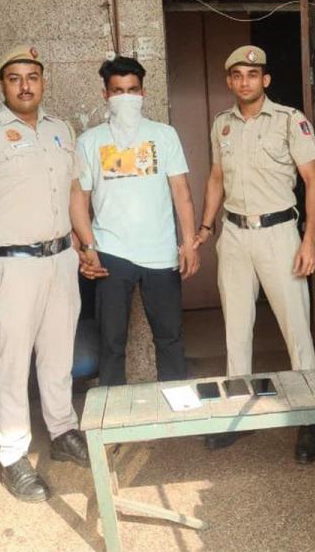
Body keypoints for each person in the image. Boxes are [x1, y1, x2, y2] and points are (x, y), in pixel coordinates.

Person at [0, 43, 90, 505]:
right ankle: (12, 453)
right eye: (15, 78)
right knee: (12, 362)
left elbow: (74, 191)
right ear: (3, 85)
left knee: (58, 353)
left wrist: (86, 244)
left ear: (43, 81)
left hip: (61, 259)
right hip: (12, 266)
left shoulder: (60, 129)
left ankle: (63, 430)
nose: (25, 86)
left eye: (32, 77)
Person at [194, 45, 315, 463]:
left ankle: (310, 417)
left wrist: (309, 241)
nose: (245, 81)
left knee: (296, 328)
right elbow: (216, 177)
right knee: (236, 329)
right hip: (235, 234)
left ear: (265, 80)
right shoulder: (222, 125)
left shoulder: (289, 120)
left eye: (252, 74)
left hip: (279, 234)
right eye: (237, 75)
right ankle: (239, 415)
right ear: (229, 82)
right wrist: (206, 226)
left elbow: (313, 180)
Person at [70, 55, 199, 385]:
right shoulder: (89, 142)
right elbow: (78, 200)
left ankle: (176, 403)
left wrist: (189, 243)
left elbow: (181, 192)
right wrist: (87, 247)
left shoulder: (164, 135)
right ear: (105, 95)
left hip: (161, 253)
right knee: (111, 342)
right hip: (110, 252)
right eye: (118, 91)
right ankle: (113, 410)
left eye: (132, 90)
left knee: (170, 338)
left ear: (143, 93)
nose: (125, 98)